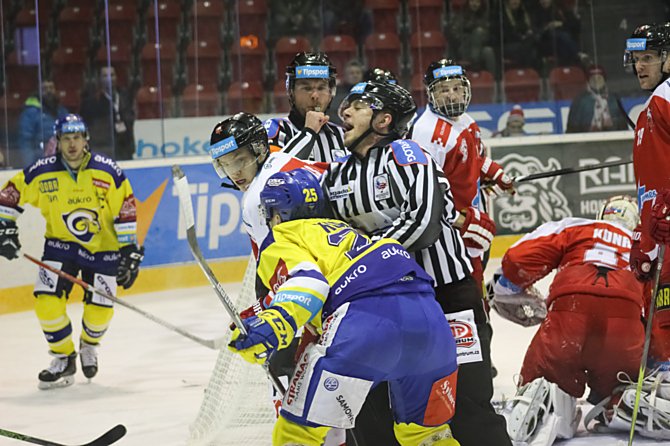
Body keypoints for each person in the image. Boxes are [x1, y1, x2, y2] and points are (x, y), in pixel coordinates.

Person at [321, 80, 511, 446]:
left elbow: (422, 221)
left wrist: (364, 258)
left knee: (466, 402)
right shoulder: (338, 174)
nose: (343, 112)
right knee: (371, 408)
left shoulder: (409, 154)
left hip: (447, 297)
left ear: (383, 120)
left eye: (357, 106)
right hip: (380, 304)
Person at [228, 169, 460, 446]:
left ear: (277, 213)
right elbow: (328, 279)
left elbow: (309, 284)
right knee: (428, 437)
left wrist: (275, 324)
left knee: (297, 435)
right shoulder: (349, 232)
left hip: (366, 327)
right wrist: (262, 313)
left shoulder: (282, 236)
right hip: (432, 326)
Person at [208, 114, 346, 446]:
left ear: (258, 150)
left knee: (297, 402)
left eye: (239, 159)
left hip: (319, 303)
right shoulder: (291, 162)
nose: (235, 172)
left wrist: (262, 312)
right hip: (356, 283)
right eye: (225, 164)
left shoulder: (258, 198)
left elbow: (288, 275)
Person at [0, 114, 144, 389]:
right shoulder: (42, 171)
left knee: (100, 311)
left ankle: (89, 346)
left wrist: (127, 251)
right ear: (57, 142)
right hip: (60, 247)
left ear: (85, 139)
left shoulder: (107, 170)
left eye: (77, 137)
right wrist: (4, 227)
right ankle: (64, 357)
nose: (72, 144)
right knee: (46, 304)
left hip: (104, 250)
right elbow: (9, 194)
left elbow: (125, 209)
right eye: (66, 138)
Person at [493, 195, 646, 443]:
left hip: (568, 315)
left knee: (544, 382)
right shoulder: (646, 246)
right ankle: (621, 401)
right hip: (625, 324)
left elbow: (518, 258)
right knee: (624, 382)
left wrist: (507, 288)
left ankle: (547, 400)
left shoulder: (575, 226)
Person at [408, 60, 515, 288]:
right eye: (443, 90)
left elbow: (472, 158)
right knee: (468, 303)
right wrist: (462, 222)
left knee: (478, 294)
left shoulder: (465, 120)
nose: (452, 96)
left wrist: (491, 172)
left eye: (457, 88)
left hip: (471, 223)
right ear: (431, 94)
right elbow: (423, 195)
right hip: (451, 235)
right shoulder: (428, 134)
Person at [625, 23, 670, 373]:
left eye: (649, 58)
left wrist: (649, 239)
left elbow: (657, 189)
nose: (641, 66)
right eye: (637, 59)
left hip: (665, 237)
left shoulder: (661, 101)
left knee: (664, 328)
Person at [265, 52, 349, 163]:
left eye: (321, 88)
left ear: (330, 94)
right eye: (306, 88)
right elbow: (272, 174)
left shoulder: (343, 136)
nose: (315, 96)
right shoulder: (273, 130)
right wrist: (308, 132)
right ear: (291, 93)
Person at [80, 66, 136, 160]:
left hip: (125, 149)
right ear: (100, 79)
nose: (110, 79)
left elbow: (131, 119)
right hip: (105, 150)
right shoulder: (93, 102)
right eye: (105, 76)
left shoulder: (125, 97)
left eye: (112, 75)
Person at [18, 79, 68, 168]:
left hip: (62, 162)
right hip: (40, 162)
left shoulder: (62, 111)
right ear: (38, 92)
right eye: (44, 88)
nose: (48, 91)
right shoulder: (30, 113)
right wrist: (32, 167)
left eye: (51, 88)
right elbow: (26, 142)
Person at [566, 65, 629, 133]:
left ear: (604, 80)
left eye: (599, 78)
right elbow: (572, 129)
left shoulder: (614, 99)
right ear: (588, 81)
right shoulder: (580, 101)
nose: (596, 82)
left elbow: (623, 127)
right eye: (593, 79)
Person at [531, 0, 589, 68]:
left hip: (562, 42)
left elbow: (576, 25)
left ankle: (564, 71)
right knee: (563, 37)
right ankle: (579, 54)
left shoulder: (560, 9)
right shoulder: (536, 12)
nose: (544, 1)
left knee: (563, 48)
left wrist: (561, 24)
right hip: (546, 42)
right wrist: (546, 28)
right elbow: (535, 31)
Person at [448, 0, 496, 76]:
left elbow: (488, 36)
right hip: (464, 48)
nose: (475, 4)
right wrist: (470, 37)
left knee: (488, 51)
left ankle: (493, 81)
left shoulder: (484, 16)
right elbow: (454, 35)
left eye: (477, 2)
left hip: (479, 48)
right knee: (478, 32)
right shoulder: (461, 15)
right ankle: (475, 60)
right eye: (472, 1)